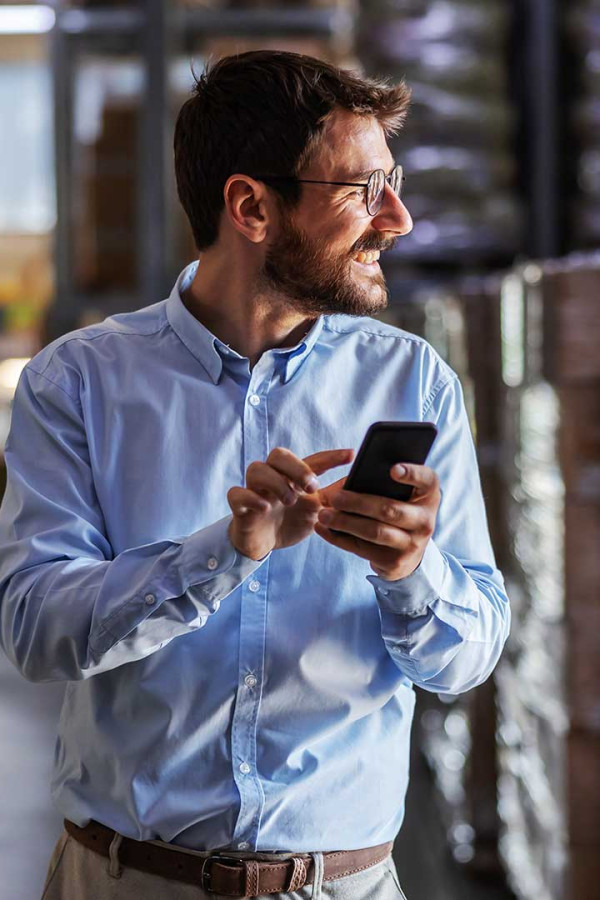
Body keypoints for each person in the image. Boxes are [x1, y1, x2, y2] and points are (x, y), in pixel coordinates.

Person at [0, 50, 510, 900]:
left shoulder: (414, 382)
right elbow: (35, 629)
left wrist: (411, 572)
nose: (401, 219)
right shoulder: (77, 383)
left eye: (393, 184)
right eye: (362, 191)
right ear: (251, 207)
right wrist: (221, 554)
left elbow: (471, 655)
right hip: (125, 882)